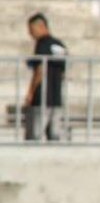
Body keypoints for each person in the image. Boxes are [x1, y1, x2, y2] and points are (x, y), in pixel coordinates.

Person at [24, 13, 67, 142]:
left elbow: (40, 70)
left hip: (41, 99)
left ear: (41, 26)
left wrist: (31, 93)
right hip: (56, 98)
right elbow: (63, 71)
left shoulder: (42, 44)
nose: (30, 34)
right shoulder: (59, 45)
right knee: (54, 136)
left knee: (35, 136)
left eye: (32, 30)